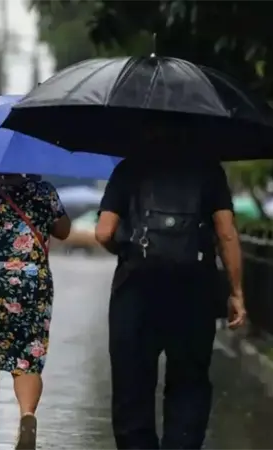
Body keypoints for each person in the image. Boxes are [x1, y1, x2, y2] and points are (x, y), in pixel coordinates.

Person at [94, 158, 246, 450]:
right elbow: (226, 233)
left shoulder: (129, 168)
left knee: (132, 386)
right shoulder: (209, 170)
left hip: (136, 291)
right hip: (194, 290)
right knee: (190, 382)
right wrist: (236, 291)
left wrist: (126, 251)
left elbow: (104, 232)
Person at [0, 172, 72, 450]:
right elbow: (64, 231)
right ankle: (27, 415)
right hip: (33, 280)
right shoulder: (45, 192)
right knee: (29, 357)